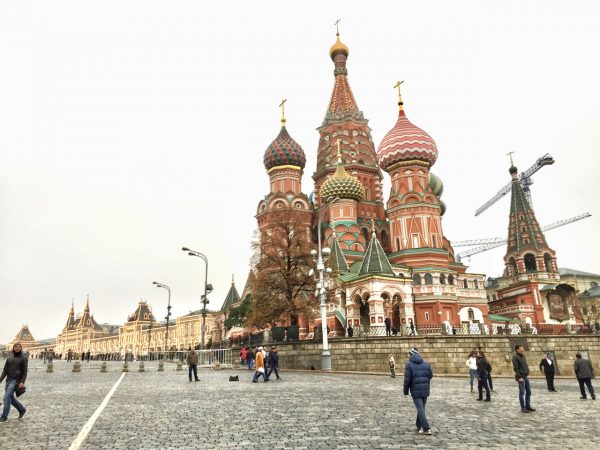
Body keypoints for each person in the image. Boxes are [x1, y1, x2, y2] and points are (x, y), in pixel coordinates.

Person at [403, 348, 433, 435]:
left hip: (415, 390)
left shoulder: (409, 364)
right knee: (421, 408)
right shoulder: (426, 364)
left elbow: (407, 380)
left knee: (420, 409)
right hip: (425, 390)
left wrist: (405, 391)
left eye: (409, 354)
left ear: (411, 355)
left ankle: (426, 429)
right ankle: (418, 425)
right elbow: (430, 376)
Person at [0, 343, 28, 422]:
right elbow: (5, 370)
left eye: (19, 347)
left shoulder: (24, 358)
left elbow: (25, 372)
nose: (17, 348)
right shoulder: (9, 358)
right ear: (13, 348)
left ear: (21, 348)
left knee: (7, 397)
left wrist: (22, 382)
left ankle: (4, 416)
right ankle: (21, 409)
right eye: (16, 346)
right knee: (11, 398)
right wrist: (0, 380)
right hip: (8, 380)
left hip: (16, 381)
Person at [512, 345, 536, 413]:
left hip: (525, 376)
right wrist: (519, 377)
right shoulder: (515, 357)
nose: (523, 349)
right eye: (521, 348)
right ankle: (523, 407)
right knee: (522, 392)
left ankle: (528, 406)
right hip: (521, 377)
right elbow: (516, 368)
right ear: (517, 350)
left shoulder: (523, 356)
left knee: (528, 391)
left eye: (523, 348)